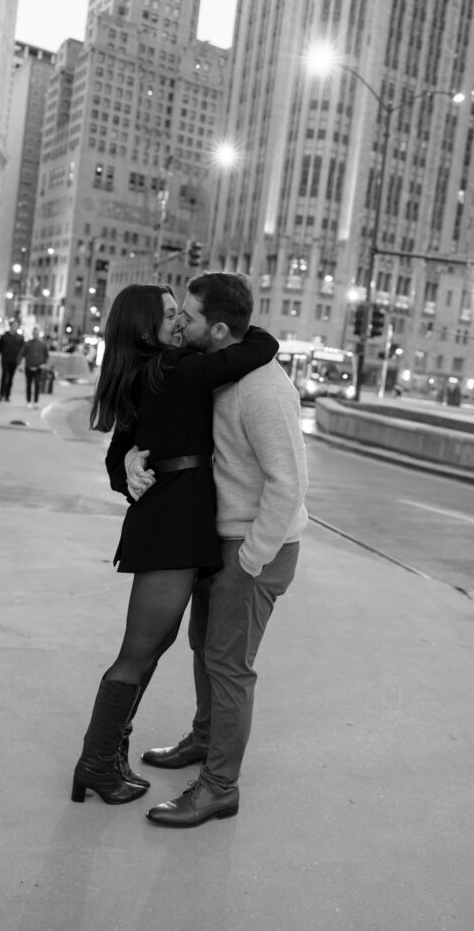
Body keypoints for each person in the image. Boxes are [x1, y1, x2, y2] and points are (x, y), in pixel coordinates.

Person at [71, 283, 278, 807]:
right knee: (139, 651)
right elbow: (260, 347)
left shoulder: (147, 371)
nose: (180, 322)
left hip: (168, 519)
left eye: (181, 313)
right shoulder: (174, 368)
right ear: (145, 329)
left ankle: (106, 759)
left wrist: (129, 469)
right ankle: (96, 763)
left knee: (153, 646)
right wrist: (238, 323)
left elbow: (116, 455)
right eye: (170, 315)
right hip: (172, 524)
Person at [121, 272, 308, 827]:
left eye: (190, 315)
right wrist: (131, 456)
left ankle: (219, 788)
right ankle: (204, 739)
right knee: (205, 648)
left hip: (256, 548)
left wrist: (249, 561)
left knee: (229, 666)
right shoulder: (220, 371)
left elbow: (289, 483)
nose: (180, 322)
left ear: (219, 329)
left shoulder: (264, 390)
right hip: (219, 540)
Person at [0, 320, 25, 402]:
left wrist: (20, 362)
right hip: (5, 359)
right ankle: (1, 394)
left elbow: (22, 351)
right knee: (4, 377)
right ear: (10, 326)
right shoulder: (4, 336)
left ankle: (7, 395)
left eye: (16, 326)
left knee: (11, 378)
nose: (15, 327)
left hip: (14, 360)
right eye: (14, 325)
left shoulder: (20, 338)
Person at [20, 326, 49, 408]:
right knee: (28, 385)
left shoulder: (43, 344)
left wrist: (44, 363)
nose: (35, 335)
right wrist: (21, 365)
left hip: (38, 368)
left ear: (38, 334)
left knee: (37, 384)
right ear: (32, 334)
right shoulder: (27, 343)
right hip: (28, 367)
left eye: (37, 333)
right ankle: (28, 401)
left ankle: (36, 401)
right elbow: (22, 354)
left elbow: (46, 355)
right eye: (34, 333)